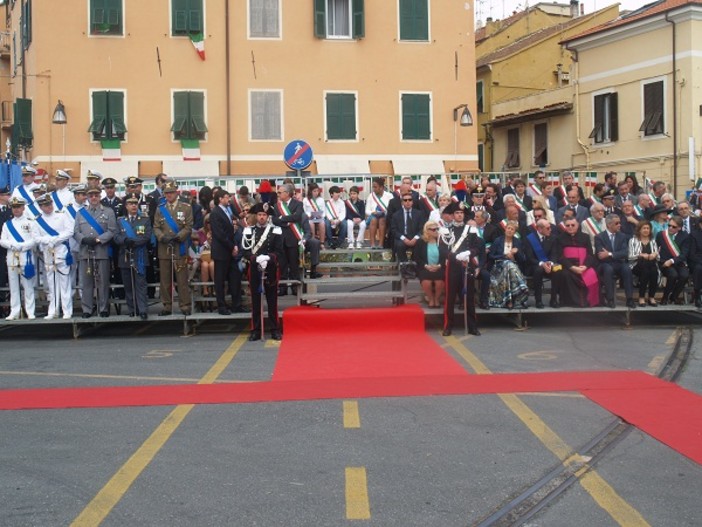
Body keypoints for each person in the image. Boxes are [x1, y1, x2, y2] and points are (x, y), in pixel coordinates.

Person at [440, 202, 483, 336]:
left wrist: (469, 253)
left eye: (461, 213)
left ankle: (472, 326)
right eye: (457, 213)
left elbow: (477, 247)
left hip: (466, 265)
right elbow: (442, 250)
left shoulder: (471, 230)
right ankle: (448, 326)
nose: (459, 215)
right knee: (450, 297)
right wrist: (455, 257)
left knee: (469, 297)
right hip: (452, 266)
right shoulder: (446, 231)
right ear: (452, 215)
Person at [242, 203, 283, 341]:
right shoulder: (249, 231)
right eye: (259, 215)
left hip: (270, 268)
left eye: (264, 215)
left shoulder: (275, 230)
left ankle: (275, 329)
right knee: (255, 302)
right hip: (255, 268)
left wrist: (269, 257)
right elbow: (245, 251)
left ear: (268, 216)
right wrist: (255, 258)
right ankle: (256, 330)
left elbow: (279, 251)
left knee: (272, 301)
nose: (261, 217)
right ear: (256, 216)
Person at [74, 187, 118, 318]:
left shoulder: (108, 212)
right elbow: (75, 232)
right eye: (91, 195)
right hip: (86, 251)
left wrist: (99, 239)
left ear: (100, 196)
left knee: (103, 282)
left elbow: (112, 230)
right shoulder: (80, 213)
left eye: (96, 195)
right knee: (86, 282)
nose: (94, 197)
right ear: (87, 197)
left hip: (101, 250)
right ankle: (87, 309)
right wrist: (84, 239)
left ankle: (103, 307)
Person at [153, 181, 193, 316]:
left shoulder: (186, 207)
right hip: (164, 248)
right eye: (166, 193)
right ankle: (167, 305)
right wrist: (161, 237)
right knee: (165, 280)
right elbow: (156, 227)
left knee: (182, 279)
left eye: (171, 192)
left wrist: (179, 236)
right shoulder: (160, 209)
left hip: (179, 246)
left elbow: (188, 226)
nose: (169, 195)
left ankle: (185, 305)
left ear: (177, 193)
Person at [34, 194, 74, 319]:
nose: (49, 207)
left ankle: (67, 310)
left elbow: (69, 231)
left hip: (61, 251)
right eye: (45, 205)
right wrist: (47, 240)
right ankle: (53, 310)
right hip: (48, 253)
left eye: (50, 204)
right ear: (40, 207)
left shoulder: (61, 216)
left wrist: (55, 239)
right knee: (51, 284)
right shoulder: (37, 220)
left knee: (65, 283)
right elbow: (36, 237)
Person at [114, 193, 152, 319]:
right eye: (131, 204)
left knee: (140, 285)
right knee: (128, 285)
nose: (134, 206)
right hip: (125, 256)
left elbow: (146, 236)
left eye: (135, 203)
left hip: (139, 255)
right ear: (126, 206)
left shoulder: (145, 219)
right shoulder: (120, 221)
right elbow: (116, 236)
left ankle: (142, 310)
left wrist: (133, 242)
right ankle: (132, 309)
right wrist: (125, 241)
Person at [0, 197, 38, 320]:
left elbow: (35, 239)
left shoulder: (30, 222)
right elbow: (2, 240)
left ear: (23, 208)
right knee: (14, 287)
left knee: (28, 286)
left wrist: (23, 246)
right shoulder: (7, 224)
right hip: (12, 257)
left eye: (18, 207)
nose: (16, 209)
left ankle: (30, 311)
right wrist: (12, 245)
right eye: (14, 207)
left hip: (25, 257)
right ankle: (14, 311)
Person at [209, 189, 245, 315]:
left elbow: (229, 232)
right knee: (220, 280)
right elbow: (220, 234)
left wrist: (234, 245)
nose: (228, 199)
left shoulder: (226, 212)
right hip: (221, 251)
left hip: (229, 250)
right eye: (226, 197)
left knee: (234, 277)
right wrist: (232, 246)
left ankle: (237, 304)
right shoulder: (215, 213)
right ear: (220, 199)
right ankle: (221, 306)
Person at [595, 214, 635, 308]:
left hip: (619, 263)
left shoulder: (622, 236)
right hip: (605, 264)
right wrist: (616, 254)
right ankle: (610, 299)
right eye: (617, 223)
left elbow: (625, 253)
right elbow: (601, 255)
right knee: (608, 269)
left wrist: (610, 254)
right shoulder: (599, 237)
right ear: (609, 225)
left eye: (619, 223)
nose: (619, 225)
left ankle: (629, 299)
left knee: (627, 269)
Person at [557, 218, 600, 307]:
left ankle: (589, 301)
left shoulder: (585, 237)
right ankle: (571, 302)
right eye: (567, 225)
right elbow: (560, 257)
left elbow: (590, 255)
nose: (570, 227)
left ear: (577, 226)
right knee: (565, 275)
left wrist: (585, 266)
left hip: (583, 265)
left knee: (594, 273)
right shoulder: (559, 238)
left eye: (573, 225)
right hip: (568, 266)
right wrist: (572, 267)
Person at [487, 220, 529, 309]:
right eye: (508, 228)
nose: (509, 230)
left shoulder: (518, 242)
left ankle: (509, 301)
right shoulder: (498, 241)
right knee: (508, 263)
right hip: (498, 267)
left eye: (512, 229)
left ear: (514, 232)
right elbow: (491, 256)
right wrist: (505, 256)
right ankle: (520, 291)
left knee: (509, 265)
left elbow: (523, 259)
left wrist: (517, 252)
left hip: (513, 268)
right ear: (505, 229)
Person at [272, 183, 304, 296]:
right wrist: (287, 221)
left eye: (280, 192)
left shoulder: (298, 204)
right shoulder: (277, 206)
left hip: (293, 237)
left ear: (287, 193)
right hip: (281, 238)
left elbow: (297, 217)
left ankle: (295, 287)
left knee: (294, 264)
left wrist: (283, 219)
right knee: (282, 264)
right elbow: (275, 220)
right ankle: (282, 287)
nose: (278, 194)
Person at [525, 219, 561, 308]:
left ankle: (553, 300)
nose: (550, 230)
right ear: (540, 229)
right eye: (548, 228)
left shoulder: (553, 238)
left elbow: (554, 254)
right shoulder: (529, 238)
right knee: (539, 271)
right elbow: (529, 257)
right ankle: (538, 300)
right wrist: (542, 264)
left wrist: (551, 263)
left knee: (558, 269)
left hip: (549, 264)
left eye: (550, 228)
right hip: (535, 265)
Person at [655, 216, 690, 305]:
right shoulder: (661, 235)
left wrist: (672, 261)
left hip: (678, 262)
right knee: (673, 275)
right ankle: (665, 297)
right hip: (664, 262)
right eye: (669, 225)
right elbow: (655, 249)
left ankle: (673, 297)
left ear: (679, 228)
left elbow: (684, 254)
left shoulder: (685, 236)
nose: (670, 228)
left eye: (674, 227)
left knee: (684, 276)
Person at [413, 220, 446, 308]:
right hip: (425, 268)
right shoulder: (421, 242)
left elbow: (445, 256)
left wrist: (438, 266)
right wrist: (426, 266)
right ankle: (431, 299)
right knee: (426, 282)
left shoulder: (441, 241)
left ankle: (436, 299)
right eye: (433, 229)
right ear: (427, 230)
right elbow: (416, 257)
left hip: (439, 267)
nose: (436, 231)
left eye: (437, 229)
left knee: (439, 282)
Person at [628, 220, 659, 307]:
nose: (646, 230)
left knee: (653, 271)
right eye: (644, 228)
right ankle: (642, 297)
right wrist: (640, 255)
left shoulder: (653, 241)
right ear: (639, 230)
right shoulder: (633, 240)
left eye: (648, 228)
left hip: (651, 265)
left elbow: (657, 256)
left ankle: (651, 297)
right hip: (636, 265)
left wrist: (654, 254)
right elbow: (630, 256)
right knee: (646, 269)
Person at [391, 192, 425, 263]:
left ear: (412, 202)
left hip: (415, 238)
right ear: (402, 202)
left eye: (410, 200)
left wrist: (415, 238)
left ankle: (416, 264)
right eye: (405, 200)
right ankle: (404, 265)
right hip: (403, 238)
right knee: (399, 245)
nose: (408, 202)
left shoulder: (419, 214)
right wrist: (404, 239)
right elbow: (394, 230)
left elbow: (422, 228)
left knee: (421, 243)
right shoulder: (396, 215)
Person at [365, 177, 393, 249]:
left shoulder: (389, 196)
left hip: (384, 217)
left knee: (382, 220)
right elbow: (367, 211)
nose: (373, 189)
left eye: (375, 187)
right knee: (374, 219)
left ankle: (381, 244)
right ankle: (372, 244)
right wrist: (373, 212)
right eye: (373, 187)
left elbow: (391, 210)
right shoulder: (371, 196)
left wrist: (384, 212)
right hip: (373, 217)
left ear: (381, 187)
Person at [303, 182, 326, 247]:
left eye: (317, 191)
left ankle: (322, 242)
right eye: (314, 191)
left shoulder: (321, 199)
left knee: (322, 224)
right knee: (311, 224)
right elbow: (304, 210)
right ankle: (313, 241)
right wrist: (309, 215)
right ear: (310, 191)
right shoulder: (305, 200)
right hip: (310, 217)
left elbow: (324, 211)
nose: (316, 193)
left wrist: (321, 215)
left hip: (319, 217)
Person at [687, 218, 702, 307]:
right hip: (696, 261)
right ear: (700, 224)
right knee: (699, 269)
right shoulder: (693, 235)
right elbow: (692, 254)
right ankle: (697, 296)